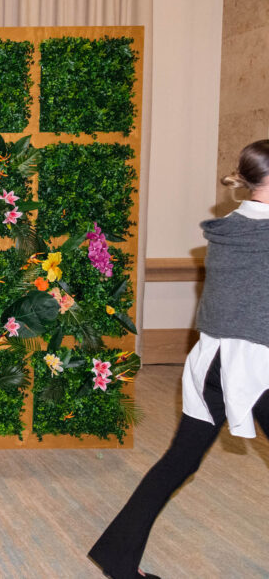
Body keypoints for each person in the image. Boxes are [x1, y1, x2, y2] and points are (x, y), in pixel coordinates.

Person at [88, 139, 269, 579]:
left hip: (211, 362)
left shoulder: (229, 226)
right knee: (180, 460)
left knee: (179, 460)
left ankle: (116, 556)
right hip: (256, 366)